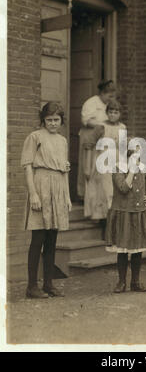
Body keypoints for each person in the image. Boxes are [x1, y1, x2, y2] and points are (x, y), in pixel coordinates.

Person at [21, 102, 72, 299]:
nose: (52, 123)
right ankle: (32, 286)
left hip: (58, 187)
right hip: (41, 185)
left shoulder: (62, 140)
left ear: (61, 121)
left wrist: (67, 196)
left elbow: (65, 169)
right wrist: (33, 193)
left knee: (52, 239)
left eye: (56, 120)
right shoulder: (35, 137)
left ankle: (49, 284)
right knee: (38, 238)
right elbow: (27, 167)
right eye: (49, 120)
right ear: (43, 120)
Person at [105, 149, 146, 293]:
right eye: (131, 156)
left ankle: (135, 282)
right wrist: (131, 171)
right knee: (123, 249)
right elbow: (123, 188)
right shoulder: (117, 168)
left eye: (137, 156)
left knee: (137, 249)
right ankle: (121, 282)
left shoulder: (142, 167)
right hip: (123, 213)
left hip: (139, 212)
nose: (134, 160)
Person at [82, 100, 126, 221]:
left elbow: (123, 148)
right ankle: (104, 220)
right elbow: (89, 144)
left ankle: (113, 222)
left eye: (116, 112)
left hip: (116, 163)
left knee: (115, 191)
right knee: (105, 191)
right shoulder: (101, 127)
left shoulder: (122, 128)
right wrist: (87, 167)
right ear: (106, 113)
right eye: (110, 112)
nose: (113, 114)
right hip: (103, 162)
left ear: (120, 114)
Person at [77, 80, 116, 199]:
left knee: (99, 167)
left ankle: (97, 196)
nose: (110, 98)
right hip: (90, 135)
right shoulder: (91, 102)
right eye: (109, 96)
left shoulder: (108, 105)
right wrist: (102, 126)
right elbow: (87, 120)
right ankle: (84, 196)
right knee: (88, 166)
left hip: (102, 138)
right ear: (102, 93)